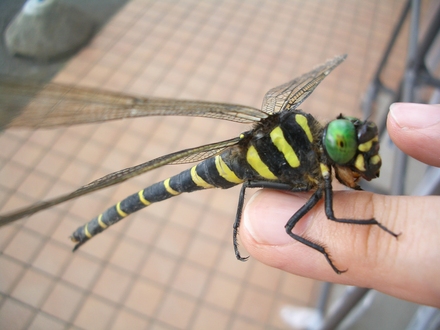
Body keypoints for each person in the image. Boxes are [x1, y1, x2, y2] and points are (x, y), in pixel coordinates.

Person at [241, 103, 440, 308]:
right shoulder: (319, 162)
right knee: (290, 226)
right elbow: (328, 217)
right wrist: (375, 225)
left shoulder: (319, 153)